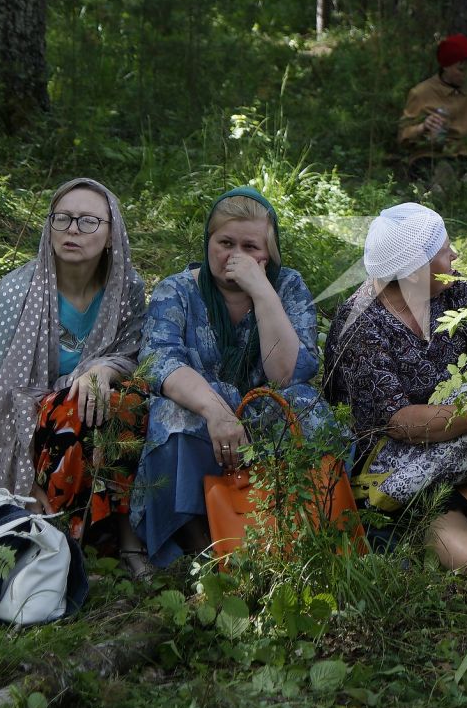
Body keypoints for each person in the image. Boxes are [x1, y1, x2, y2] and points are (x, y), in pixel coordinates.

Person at [322, 203, 467, 603]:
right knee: (429, 507)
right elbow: (398, 421)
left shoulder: (454, 288)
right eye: (444, 251)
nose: (455, 257)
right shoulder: (363, 326)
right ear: (412, 271)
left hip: (460, 433)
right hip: (390, 460)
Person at [133, 187, 339, 568]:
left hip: (264, 411)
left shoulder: (287, 286)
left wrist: (262, 291)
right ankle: (200, 544)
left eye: (251, 246)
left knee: (307, 409)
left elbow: (287, 375)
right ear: (208, 241)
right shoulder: (176, 291)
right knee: (172, 413)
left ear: (270, 252)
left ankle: (297, 530)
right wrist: (219, 414)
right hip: (204, 416)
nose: (236, 256)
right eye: (225, 242)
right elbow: (160, 362)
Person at [0, 178, 152, 575]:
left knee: (129, 398)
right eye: (63, 218)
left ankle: (122, 534)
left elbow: (130, 355)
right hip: (25, 429)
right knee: (73, 407)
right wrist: (23, 482)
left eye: (88, 221)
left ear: (110, 234)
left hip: (91, 416)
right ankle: (59, 542)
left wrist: (100, 369)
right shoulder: (17, 291)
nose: (72, 229)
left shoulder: (126, 291)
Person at [397, 34, 467, 162]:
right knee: (440, 176)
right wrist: (423, 127)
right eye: (461, 70)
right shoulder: (421, 93)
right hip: (431, 157)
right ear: (445, 66)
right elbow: (403, 137)